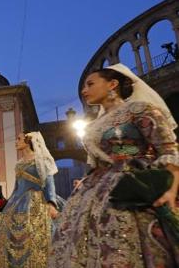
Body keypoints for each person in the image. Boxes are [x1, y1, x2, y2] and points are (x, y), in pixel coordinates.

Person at [50, 64, 179, 267]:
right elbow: (98, 160)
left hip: (134, 183)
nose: (84, 91)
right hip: (95, 190)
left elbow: (168, 150)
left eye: (90, 84)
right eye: (84, 86)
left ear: (112, 84)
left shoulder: (140, 109)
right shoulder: (94, 125)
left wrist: (171, 190)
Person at [0, 132, 58, 268]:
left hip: (36, 202)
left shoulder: (41, 160)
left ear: (28, 141)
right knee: (11, 236)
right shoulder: (19, 164)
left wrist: (51, 202)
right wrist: (6, 203)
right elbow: (17, 186)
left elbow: (49, 182)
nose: (16, 141)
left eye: (19, 139)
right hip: (17, 203)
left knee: (33, 235)